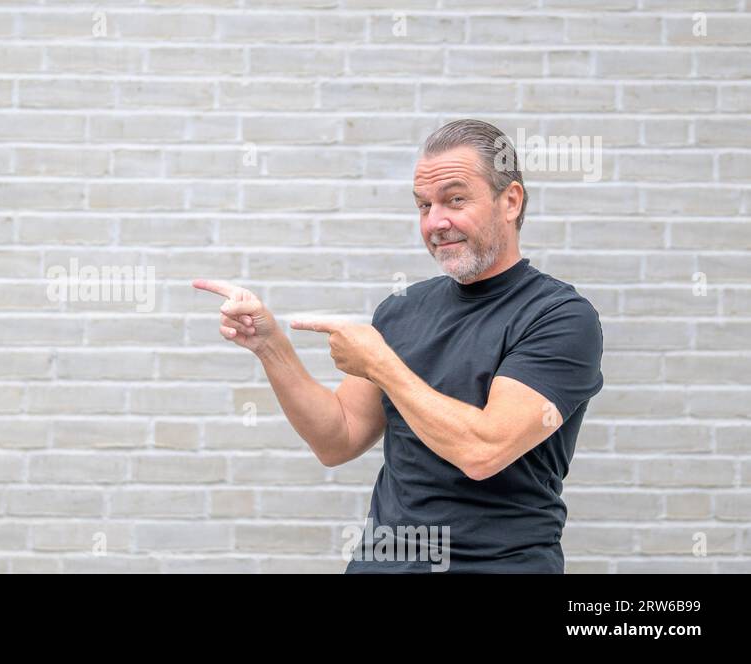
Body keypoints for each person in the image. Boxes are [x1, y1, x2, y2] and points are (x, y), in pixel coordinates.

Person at [193, 119, 604, 573]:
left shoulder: (560, 317)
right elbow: (338, 439)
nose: (436, 222)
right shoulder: (402, 310)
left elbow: (484, 451)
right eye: (423, 205)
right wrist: (270, 346)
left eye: (455, 199)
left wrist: (381, 364)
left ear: (510, 200)